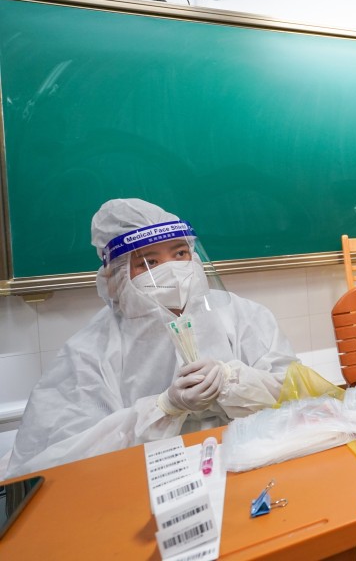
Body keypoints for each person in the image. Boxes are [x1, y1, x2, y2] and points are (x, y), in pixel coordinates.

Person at [6, 199, 297, 477]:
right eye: (150, 262)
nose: (172, 270)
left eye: (180, 254)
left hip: (247, 465)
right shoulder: (89, 352)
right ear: (115, 278)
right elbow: (58, 458)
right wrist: (163, 408)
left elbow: (297, 394)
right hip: (142, 484)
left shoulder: (242, 315)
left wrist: (233, 381)